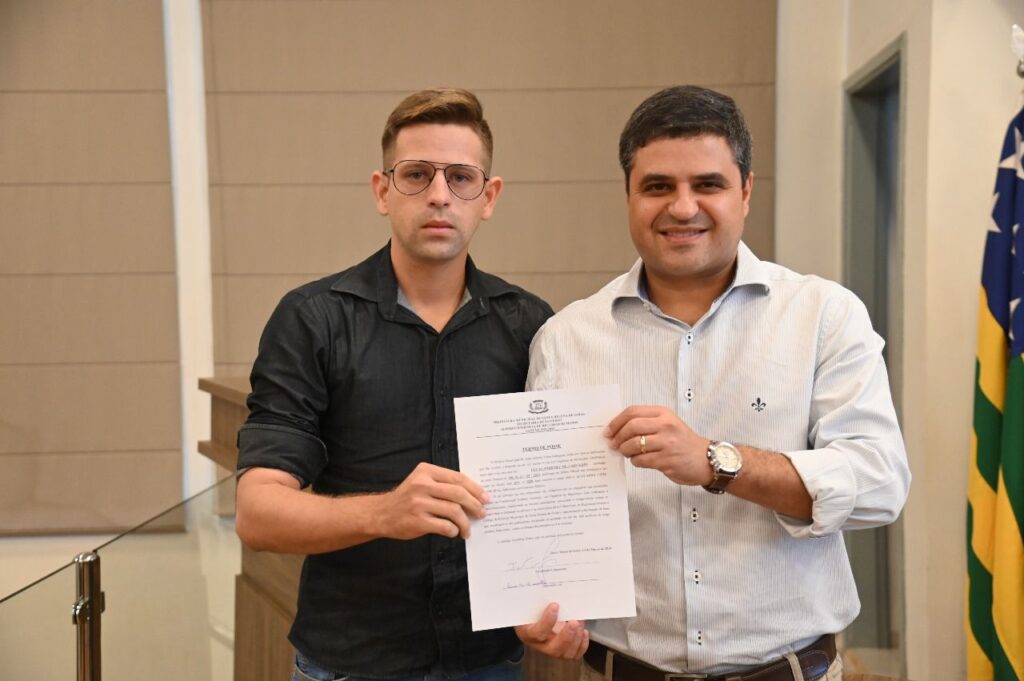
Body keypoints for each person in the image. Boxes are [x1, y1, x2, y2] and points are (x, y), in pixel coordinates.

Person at [517, 85, 911, 681]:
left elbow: (879, 484)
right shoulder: (566, 338)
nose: (682, 208)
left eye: (708, 184)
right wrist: (539, 606)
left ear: (745, 191)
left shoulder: (824, 316)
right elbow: (545, 517)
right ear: (628, 195)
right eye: (657, 186)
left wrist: (716, 462)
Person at [234, 88, 553, 681]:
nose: (439, 195)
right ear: (383, 191)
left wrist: (555, 603)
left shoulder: (531, 325)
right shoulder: (312, 320)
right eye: (416, 175)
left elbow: (549, 498)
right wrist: (385, 513)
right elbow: (257, 514)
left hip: (488, 662)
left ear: (488, 197)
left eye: (461, 177)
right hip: (353, 662)